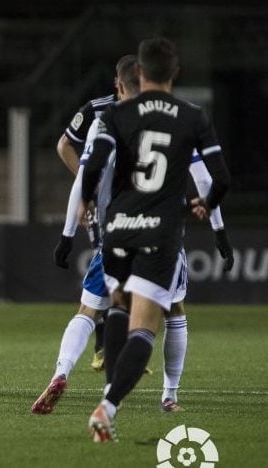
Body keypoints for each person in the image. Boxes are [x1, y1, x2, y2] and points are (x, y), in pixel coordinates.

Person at [32, 56, 235, 415]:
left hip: (118, 231)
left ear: (121, 86)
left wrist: (66, 235)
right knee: (172, 311)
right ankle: (168, 395)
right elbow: (207, 181)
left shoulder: (109, 119)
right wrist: (218, 229)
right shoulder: (182, 118)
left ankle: (61, 372)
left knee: (90, 309)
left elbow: (84, 176)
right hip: (163, 234)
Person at [81, 37, 230, 443]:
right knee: (145, 327)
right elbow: (221, 178)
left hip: (119, 226)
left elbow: (93, 165)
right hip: (160, 231)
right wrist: (206, 205)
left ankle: (111, 395)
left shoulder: (117, 113)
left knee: (116, 307)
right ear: (174, 74)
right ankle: (108, 406)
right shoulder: (193, 116)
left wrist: (87, 202)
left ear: (139, 74)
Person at [56, 74, 118, 371]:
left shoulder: (152, 112)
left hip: (130, 207)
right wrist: (89, 186)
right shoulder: (97, 110)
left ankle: (114, 345)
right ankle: (106, 346)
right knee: (107, 269)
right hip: (107, 208)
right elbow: (64, 145)